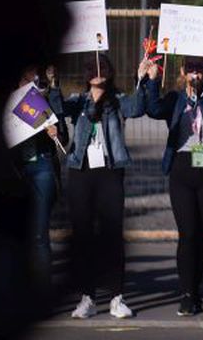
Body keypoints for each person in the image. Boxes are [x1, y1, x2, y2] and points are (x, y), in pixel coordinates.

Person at [60, 56, 151, 319]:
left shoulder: (118, 100)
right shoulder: (79, 100)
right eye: (92, 69)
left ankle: (116, 298)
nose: (98, 73)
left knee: (112, 234)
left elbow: (136, 108)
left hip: (110, 172)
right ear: (86, 74)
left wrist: (141, 79)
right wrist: (51, 83)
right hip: (81, 172)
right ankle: (87, 298)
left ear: (110, 73)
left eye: (103, 69)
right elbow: (57, 108)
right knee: (83, 235)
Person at [145, 56, 203, 316]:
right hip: (181, 168)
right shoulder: (175, 99)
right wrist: (151, 80)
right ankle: (185, 294)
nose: (196, 74)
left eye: (201, 69)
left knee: (202, 232)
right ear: (183, 72)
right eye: (192, 69)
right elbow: (153, 109)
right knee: (188, 233)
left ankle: (196, 289)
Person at [9, 65, 68, 288]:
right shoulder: (7, 103)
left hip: (42, 167)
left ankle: (42, 286)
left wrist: (55, 132)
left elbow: (63, 138)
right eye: (25, 81)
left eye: (33, 81)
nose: (30, 85)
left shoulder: (44, 101)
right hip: (17, 169)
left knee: (39, 233)